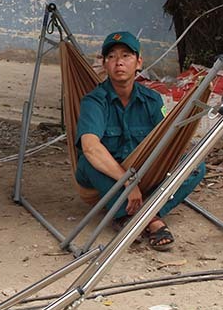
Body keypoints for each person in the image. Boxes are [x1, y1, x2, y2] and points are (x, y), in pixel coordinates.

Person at [74, 31, 206, 251]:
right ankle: (152, 221)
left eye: (126, 56)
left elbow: (167, 142)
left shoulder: (151, 100)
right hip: (107, 177)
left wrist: (144, 178)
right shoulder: (95, 101)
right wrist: (127, 182)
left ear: (138, 62)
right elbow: (90, 147)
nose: (119, 62)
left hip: (142, 171)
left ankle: (137, 215)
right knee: (88, 162)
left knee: (195, 166)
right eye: (112, 57)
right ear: (105, 64)